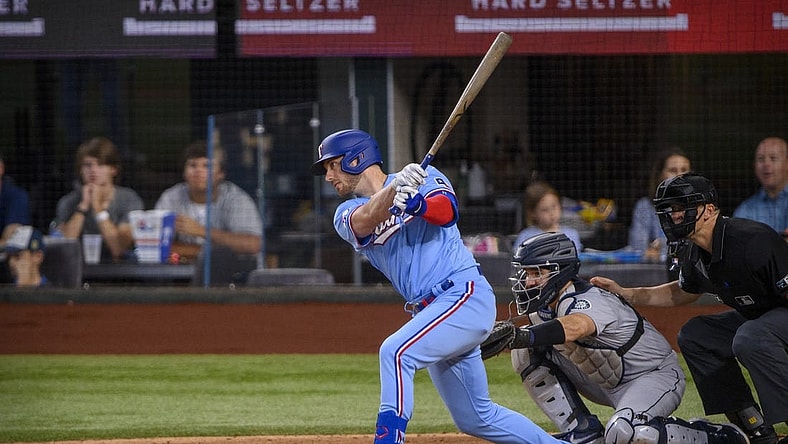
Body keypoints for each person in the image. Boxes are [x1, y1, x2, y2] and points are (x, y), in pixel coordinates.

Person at [312, 129, 565, 444]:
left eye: (332, 165)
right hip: (432, 313)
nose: (328, 176)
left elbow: (447, 212)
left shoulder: (424, 176)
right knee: (476, 417)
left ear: (355, 158)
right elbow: (365, 219)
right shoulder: (344, 213)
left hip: (463, 295)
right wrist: (394, 193)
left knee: (395, 352)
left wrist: (417, 202)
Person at [480, 231, 749, 444]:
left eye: (536, 273)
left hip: (653, 377)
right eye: (526, 273)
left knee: (626, 432)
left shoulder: (589, 298)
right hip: (608, 381)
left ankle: (713, 436)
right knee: (526, 352)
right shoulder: (544, 309)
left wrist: (520, 336)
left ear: (559, 272)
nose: (527, 282)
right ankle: (582, 432)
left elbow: (575, 326)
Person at [591, 173, 788, 444]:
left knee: (751, 336)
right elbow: (681, 292)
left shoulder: (751, 241)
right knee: (697, 335)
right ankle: (755, 427)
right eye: (670, 210)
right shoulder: (694, 251)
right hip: (762, 319)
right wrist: (627, 293)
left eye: (681, 208)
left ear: (708, 210)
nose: (674, 216)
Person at [155, 141, 262, 262]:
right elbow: (155, 245)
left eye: (207, 166)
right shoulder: (171, 197)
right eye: (193, 165)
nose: (198, 171)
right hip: (180, 274)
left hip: (230, 275)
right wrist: (205, 251)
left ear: (221, 174)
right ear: (184, 172)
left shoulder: (236, 198)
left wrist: (202, 231)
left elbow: (253, 244)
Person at [54, 137, 143, 263]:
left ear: (113, 169)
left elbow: (118, 248)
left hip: (121, 273)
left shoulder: (129, 199)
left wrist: (98, 209)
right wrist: (83, 207)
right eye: (87, 165)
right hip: (77, 273)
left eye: (100, 165)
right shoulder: (68, 202)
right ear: (80, 170)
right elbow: (63, 249)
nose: (93, 171)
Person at [628, 147, 691, 262]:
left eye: (684, 170)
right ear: (660, 174)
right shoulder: (645, 206)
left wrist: (661, 247)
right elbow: (639, 248)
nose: (679, 175)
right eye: (672, 170)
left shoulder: (698, 206)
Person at [733, 136, 788, 237]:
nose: (766, 164)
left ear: (786, 163)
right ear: (754, 167)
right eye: (761, 159)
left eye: (773, 158)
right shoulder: (745, 211)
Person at [513, 181, 583, 252]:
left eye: (554, 206)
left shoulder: (571, 234)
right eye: (545, 210)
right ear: (533, 213)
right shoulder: (526, 237)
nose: (552, 213)